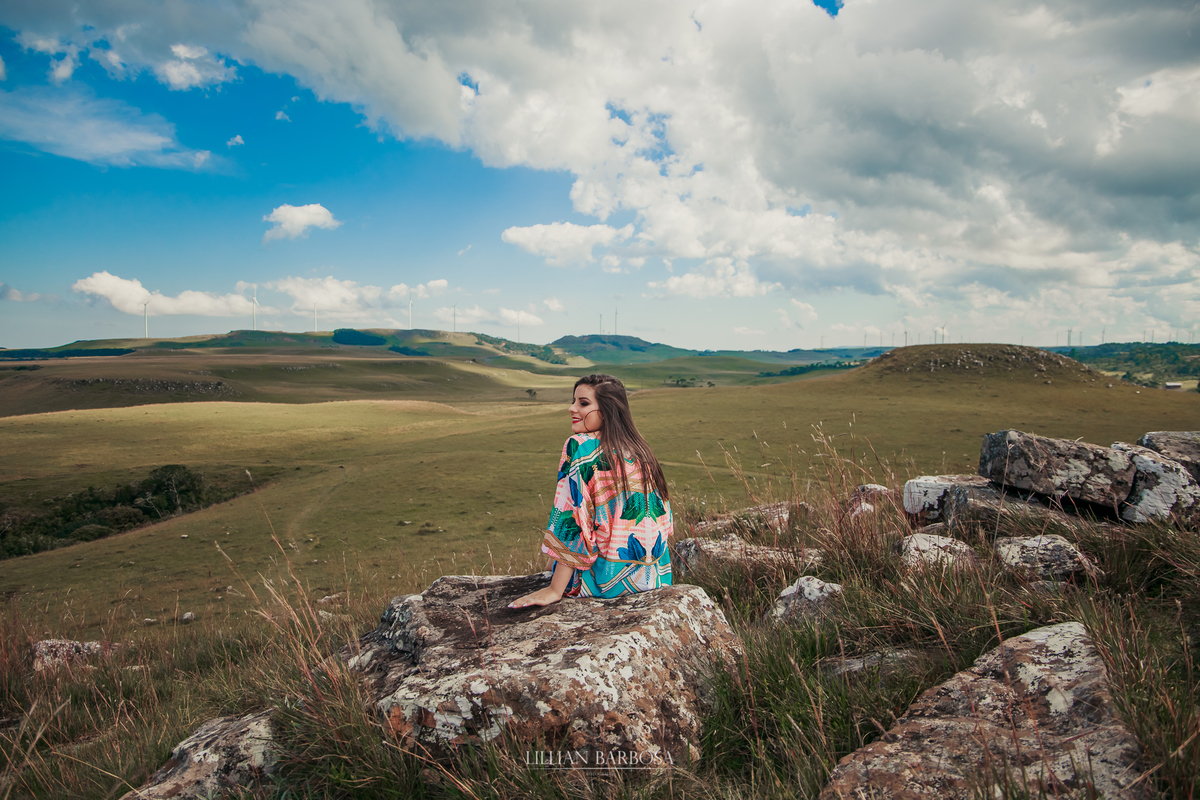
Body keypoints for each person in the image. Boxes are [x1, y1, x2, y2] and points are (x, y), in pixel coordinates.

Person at [509, 373, 673, 608]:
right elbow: (664, 521)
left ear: (607, 410)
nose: (571, 408)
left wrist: (555, 589)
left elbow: (575, 522)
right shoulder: (641, 449)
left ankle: (556, 569)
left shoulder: (580, 447)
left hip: (605, 582)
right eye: (574, 401)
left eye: (583, 403)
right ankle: (554, 564)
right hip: (654, 577)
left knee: (570, 535)